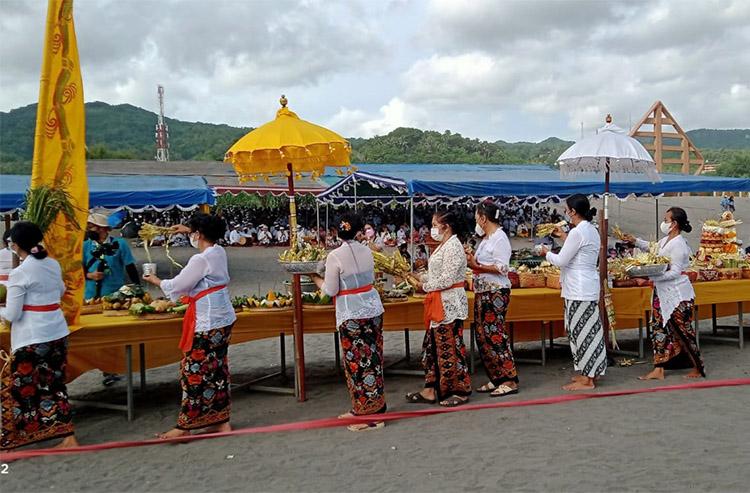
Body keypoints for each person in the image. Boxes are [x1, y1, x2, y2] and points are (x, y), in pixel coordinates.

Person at [143, 213, 236, 439]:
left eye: (194, 232)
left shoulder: (200, 259)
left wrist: (155, 280)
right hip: (222, 319)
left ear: (200, 234)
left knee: (193, 371)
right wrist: (186, 229)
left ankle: (187, 425)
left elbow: (179, 285)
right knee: (216, 370)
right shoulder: (218, 251)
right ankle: (220, 421)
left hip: (208, 320)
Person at [0, 221, 78, 449]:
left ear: (14, 246)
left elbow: (12, 315)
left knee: (22, 387)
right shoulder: (52, 264)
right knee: (55, 384)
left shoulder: (20, 273)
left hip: (33, 337)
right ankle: (67, 435)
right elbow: (61, 291)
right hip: (57, 331)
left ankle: (22, 434)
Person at [310, 213, 386, 432]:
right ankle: (373, 408)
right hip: (372, 308)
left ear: (337, 232)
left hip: (352, 312)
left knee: (357, 364)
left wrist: (315, 277)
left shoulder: (335, 255)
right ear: (359, 231)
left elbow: (331, 290)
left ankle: (368, 415)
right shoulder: (368, 250)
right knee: (373, 359)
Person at [624, 207, 705, 380]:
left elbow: (675, 272)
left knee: (683, 332)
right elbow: (653, 248)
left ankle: (698, 366)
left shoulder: (679, 245)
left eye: (666, 220)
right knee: (659, 330)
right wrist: (635, 241)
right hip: (661, 294)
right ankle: (659, 368)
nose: (664, 223)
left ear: (674, 223)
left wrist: (650, 279)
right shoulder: (666, 240)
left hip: (677, 296)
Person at [540, 194, 606, 391]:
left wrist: (546, 253)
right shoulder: (590, 230)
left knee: (583, 333)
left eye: (567, 209)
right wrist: (563, 236)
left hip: (579, 289)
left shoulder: (579, 232)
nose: (565, 212)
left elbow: (561, 260)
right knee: (587, 332)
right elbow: (576, 247)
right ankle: (589, 372)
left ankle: (588, 378)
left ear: (573, 212)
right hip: (584, 286)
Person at [406, 209, 471, 407]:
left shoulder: (453, 246)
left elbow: (448, 279)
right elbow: (438, 275)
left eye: (435, 224)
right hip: (439, 302)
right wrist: (419, 277)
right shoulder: (444, 245)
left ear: (446, 226)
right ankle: (431, 388)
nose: (432, 228)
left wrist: (423, 286)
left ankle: (458, 390)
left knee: (448, 347)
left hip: (448, 303)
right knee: (433, 347)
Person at [467, 201, 518, 397]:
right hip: (483, 291)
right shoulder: (487, 239)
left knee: (495, 335)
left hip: (495, 292)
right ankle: (497, 376)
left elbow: (502, 268)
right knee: (483, 336)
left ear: (483, 218)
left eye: (476, 217)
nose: (475, 221)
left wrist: (475, 266)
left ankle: (509, 379)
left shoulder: (499, 238)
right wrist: (474, 261)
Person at [83, 212, 139, 300]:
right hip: (90, 296)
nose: (88, 231)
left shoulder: (120, 244)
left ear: (102, 228)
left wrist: (138, 288)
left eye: (91, 228)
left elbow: (130, 267)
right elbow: (76, 270)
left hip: (114, 296)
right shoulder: (85, 246)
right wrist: (89, 275)